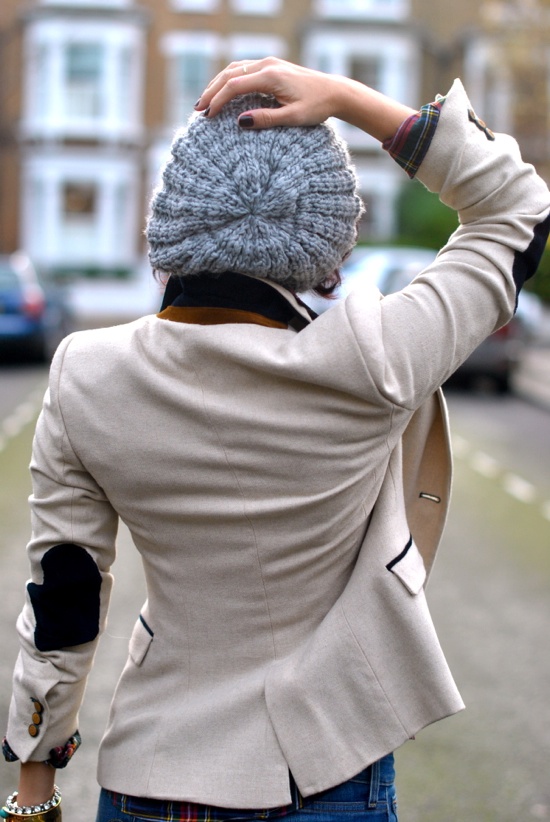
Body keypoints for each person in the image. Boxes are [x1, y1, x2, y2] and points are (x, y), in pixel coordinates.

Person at [2, 57, 549, 822]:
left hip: (154, 771)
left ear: (172, 222)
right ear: (328, 251)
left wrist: (33, 791)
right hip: (326, 775)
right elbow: (517, 208)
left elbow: (64, 594)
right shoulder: (376, 357)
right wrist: (349, 99)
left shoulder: (86, 373)